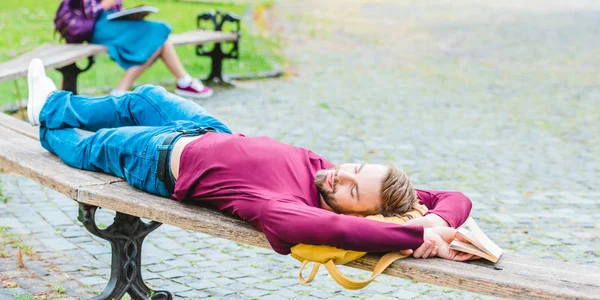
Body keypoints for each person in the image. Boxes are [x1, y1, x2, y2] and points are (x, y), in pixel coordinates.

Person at [26, 58, 476, 261]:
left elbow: (336, 230)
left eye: (352, 190)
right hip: (208, 132)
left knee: (94, 146)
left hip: (159, 159)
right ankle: (51, 107)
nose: (342, 175)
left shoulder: (289, 211)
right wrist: (439, 222)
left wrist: (411, 233)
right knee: (145, 95)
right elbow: (454, 196)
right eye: (356, 168)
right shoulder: (330, 176)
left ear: (359, 213)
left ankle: (49, 129)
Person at [81, 0, 212, 98]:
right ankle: (184, 82)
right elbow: (90, 12)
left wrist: (131, 16)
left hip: (117, 25)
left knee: (158, 40)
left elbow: (117, 9)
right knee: (158, 31)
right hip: (98, 28)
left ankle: (119, 93)